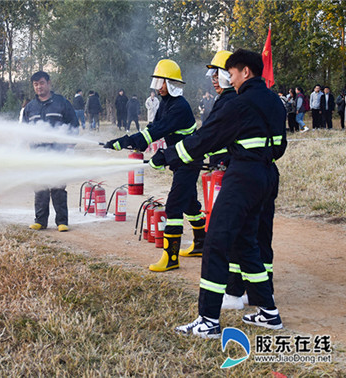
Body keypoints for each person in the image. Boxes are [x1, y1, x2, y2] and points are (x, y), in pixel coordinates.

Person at [156, 49, 286, 338]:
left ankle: (208, 320)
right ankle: (268, 312)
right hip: (267, 175)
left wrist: (168, 156)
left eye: (232, 73)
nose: (229, 78)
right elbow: (279, 146)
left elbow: (205, 138)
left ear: (246, 72)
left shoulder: (239, 103)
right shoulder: (275, 102)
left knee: (216, 242)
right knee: (246, 241)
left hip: (242, 177)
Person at [103, 59, 204, 273]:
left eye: (161, 81)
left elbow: (154, 133)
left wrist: (128, 140)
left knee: (174, 206)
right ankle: (201, 244)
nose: (157, 85)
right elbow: (153, 127)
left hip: (187, 159)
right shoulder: (166, 102)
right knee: (190, 203)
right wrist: (128, 141)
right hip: (179, 158)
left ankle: (171, 258)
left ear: (171, 83)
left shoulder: (180, 107)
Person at [180, 50, 236, 258]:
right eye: (212, 76)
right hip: (218, 162)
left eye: (216, 75)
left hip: (228, 165)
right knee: (214, 207)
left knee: (223, 210)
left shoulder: (230, 102)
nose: (213, 80)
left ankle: (223, 252)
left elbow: (210, 135)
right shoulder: (221, 100)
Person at [22, 71, 79, 232]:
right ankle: (40, 221)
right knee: (40, 187)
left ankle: (62, 221)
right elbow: (24, 130)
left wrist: (70, 146)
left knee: (58, 187)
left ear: (48, 83)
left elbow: (73, 125)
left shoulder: (61, 103)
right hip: (37, 154)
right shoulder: (30, 107)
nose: (38, 87)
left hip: (58, 153)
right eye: (35, 84)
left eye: (41, 83)